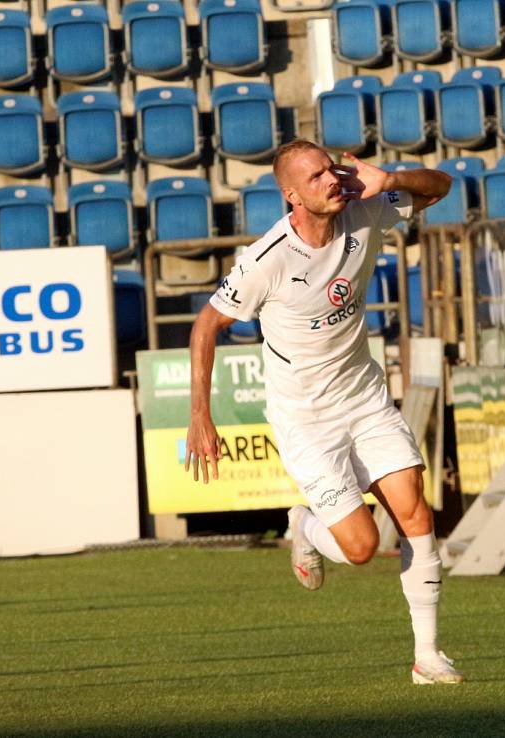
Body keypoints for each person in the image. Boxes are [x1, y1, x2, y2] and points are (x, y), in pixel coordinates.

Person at [184, 140, 463, 685]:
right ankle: (306, 527)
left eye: (330, 171)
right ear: (291, 195)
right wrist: (201, 414)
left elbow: (443, 187)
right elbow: (205, 326)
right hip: (307, 419)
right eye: (314, 178)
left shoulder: (365, 208)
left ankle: (427, 656)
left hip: (364, 398)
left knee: (416, 517)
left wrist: (392, 179)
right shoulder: (268, 259)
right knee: (361, 548)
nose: (331, 182)